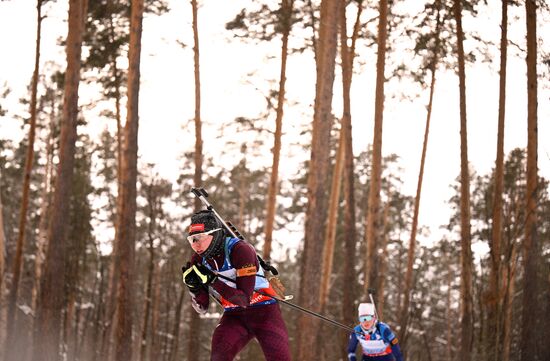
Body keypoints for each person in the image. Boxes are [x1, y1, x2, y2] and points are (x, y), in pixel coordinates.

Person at [181, 209, 291, 361]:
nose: (195, 244)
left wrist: (212, 280)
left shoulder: (241, 250)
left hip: (265, 312)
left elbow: (244, 300)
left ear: (215, 234)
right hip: (234, 316)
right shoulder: (199, 260)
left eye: (199, 238)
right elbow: (202, 308)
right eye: (192, 239)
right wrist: (194, 288)